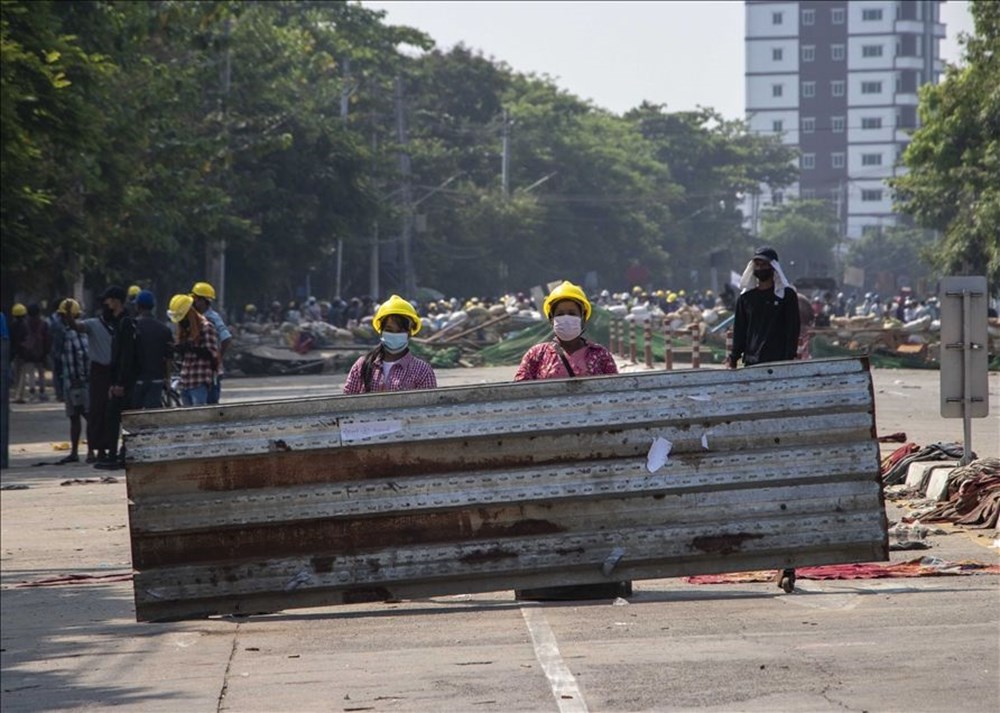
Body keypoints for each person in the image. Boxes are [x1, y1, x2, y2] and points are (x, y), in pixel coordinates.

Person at [513, 281, 628, 601]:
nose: (565, 318)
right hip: (546, 450)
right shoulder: (536, 356)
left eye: (571, 313)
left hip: (591, 449)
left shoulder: (600, 356)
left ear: (583, 318)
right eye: (560, 313)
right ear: (551, 318)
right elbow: (517, 397)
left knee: (591, 509)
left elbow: (614, 400)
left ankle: (594, 572)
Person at [726, 246, 801, 593]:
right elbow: (740, 333)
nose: (758, 270)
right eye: (754, 265)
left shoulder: (787, 298)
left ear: (773, 268)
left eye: (763, 266)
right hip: (752, 368)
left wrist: (786, 366)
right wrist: (733, 359)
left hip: (779, 368)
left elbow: (792, 333)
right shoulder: (746, 299)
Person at [342, 295, 437, 394]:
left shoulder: (422, 371)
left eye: (400, 331)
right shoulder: (362, 366)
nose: (394, 335)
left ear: (409, 333)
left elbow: (428, 407)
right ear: (381, 331)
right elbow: (347, 402)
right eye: (389, 330)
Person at [66, 289, 117, 463]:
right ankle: (100, 450)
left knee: (113, 414)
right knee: (97, 412)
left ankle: (112, 448)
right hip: (98, 373)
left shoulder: (121, 324)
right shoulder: (93, 324)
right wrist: (68, 316)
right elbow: (76, 327)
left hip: (116, 373)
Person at [96, 286, 137, 470]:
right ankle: (115, 454)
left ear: (116, 301)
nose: (106, 303)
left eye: (109, 300)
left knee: (117, 418)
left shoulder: (126, 323)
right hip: (118, 380)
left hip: (124, 382)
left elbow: (126, 356)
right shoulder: (119, 322)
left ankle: (117, 455)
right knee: (113, 418)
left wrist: (120, 383)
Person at [55, 299, 91, 464]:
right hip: (75, 382)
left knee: (84, 416)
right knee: (76, 417)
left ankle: (90, 451)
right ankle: (77, 452)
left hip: (77, 382)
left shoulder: (73, 333)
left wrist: (78, 378)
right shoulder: (79, 331)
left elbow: (78, 357)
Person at [168, 294, 219, 406]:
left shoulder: (207, 327)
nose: (182, 322)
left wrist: (192, 348)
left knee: (199, 417)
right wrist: (179, 349)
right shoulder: (187, 330)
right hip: (185, 381)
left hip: (199, 380)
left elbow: (212, 355)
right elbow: (186, 355)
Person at [131, 290, 174, 410]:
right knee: (152, 418)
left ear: (138, 306)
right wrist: (168, 380)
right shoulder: (164, 329)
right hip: (156, 379)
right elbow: (168, 358)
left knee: (134, 418)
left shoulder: (132, 327)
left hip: (136, 380)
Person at [190, 282, 232, 404]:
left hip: (211, 371)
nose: (193, 302)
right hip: (199, 370)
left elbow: (226, 338)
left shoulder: (212, 318)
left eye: (196, 299)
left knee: (211, 405)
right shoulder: (196, 317)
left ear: (204, 301)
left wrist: (217, 359)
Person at [13, 303, 51, 403]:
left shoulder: (25, 324)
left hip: (28, 353)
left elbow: (21, 339)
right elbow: (47, 338)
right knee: (41, 373)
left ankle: (32, 392)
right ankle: (42, 392)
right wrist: (46, 351)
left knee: (30, 373)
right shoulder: (43, 324)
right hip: (41, 352)